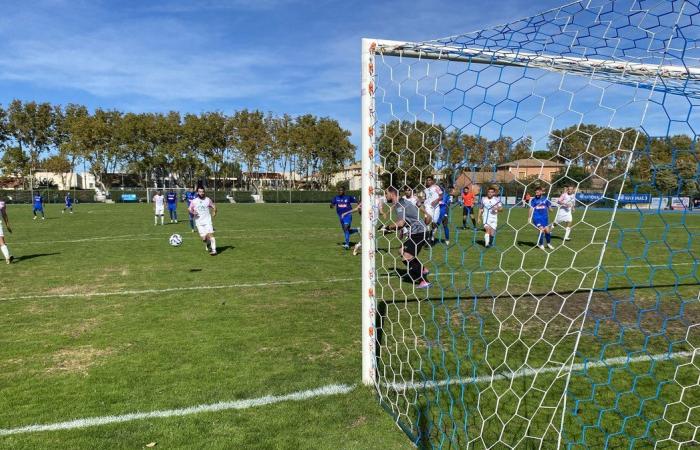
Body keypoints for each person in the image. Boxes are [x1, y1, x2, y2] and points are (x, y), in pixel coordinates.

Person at [383, 186, 430, 289]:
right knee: (401, 251)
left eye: (386, 194)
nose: (385, 196)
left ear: (392, 193)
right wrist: (390, 230)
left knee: (406, 256)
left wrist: (387, 227)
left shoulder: (401, 204)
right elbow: (404, 222)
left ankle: (423, 281)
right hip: (416, 232)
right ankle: (423, 269)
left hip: (419, 232)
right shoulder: (400, 203)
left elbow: (401, 223)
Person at [188, 186, 218, 255]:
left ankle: (214, 250)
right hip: (199, 222)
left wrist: (214, 212)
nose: (202, 193)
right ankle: (208, 244)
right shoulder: (194, 201)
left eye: (203, 192)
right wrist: (193, 212)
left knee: (210, 234)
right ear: (197, 192)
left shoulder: (208, 200)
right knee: (204, 238)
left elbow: (214, 206)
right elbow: (189, 208)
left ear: (204, 192)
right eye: (200, 192)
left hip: (207, 221)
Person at [529, 186, 556, 250]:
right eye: (536, 191)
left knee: (547, 231)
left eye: (538, 191)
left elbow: (550, 208)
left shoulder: (545, 199)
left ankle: (548, 244)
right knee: (541, 230)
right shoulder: (533, 200)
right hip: (536, 218)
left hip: (544, 218)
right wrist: (529, 217)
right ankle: (541, 244)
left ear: (541, 192)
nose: (536, 192)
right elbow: (531, 209)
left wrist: (552, 209)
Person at [423, 176, 443, 243]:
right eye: (427, 180)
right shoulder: (425, 189)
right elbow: (425, 198)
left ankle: (432, 236)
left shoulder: (436, 187)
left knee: (434, 222)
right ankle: (427, 237)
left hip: (436, 207)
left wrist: (436, 200)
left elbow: (441, 196)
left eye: (429, 180)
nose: (428, 181)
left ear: (432, 181)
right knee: (427, 221)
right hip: (428, 206)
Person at [0, 198, 13, 264]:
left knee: (2, 241)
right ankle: (7, 257)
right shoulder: (2, 203)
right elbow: (4, 215)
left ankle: (7, 257)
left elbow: (4, 214)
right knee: (2, 241)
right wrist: (7, 226)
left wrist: (7, 225)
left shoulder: (2, 203)